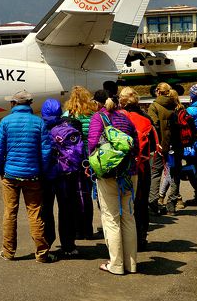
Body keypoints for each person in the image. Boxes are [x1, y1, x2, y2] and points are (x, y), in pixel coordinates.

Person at [0, 90, 56, 263]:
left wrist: (0, 170)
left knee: (10, 213)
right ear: (30, 104)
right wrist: (41, 171)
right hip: (33, 176)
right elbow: (45, 152)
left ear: (14, 104)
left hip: (10, 175)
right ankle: (42, 253)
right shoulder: (39, 123)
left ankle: (8, 252)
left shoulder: (5, 122)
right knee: (35, 214)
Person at [88, 95, 139, 275]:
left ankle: (116, 265)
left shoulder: (98, 118)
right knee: (128, 217)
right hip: (129, 173)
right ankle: (131, 263)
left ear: (97, 103)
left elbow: (93, 143)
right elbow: (136, 146)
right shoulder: (126, 118)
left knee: (111, 218)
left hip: (108, 175)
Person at [41, 97, 85, 258]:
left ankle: (46, 242)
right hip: (68, 175)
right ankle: (68, 245)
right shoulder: (69, 127)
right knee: (67, 210)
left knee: (46, 210)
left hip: (47, 176)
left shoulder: (42, 129)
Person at [119, 86, 157, 251]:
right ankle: (141, 238)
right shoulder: (146, 118)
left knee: (123, 204)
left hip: (123, 167)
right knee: (141, 204)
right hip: (142, 166)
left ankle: (124, 240)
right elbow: (154, 146)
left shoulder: (118, 118)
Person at [62, 85, 98, 239]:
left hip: (74, 157)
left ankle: (77, 229)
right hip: (91, 155)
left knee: (75, 193)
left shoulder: (68, 114)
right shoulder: (93, 114)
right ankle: (88, 229)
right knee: (87, 192)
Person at [146, 82, 179, 215]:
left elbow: (153, 127)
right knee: (174, 173)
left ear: (158, 92)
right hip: (174, 145)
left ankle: (153, 204)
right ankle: (172, 204)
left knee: (155, 174)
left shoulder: (154, 106)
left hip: (159, 146)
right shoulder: (175, 105)